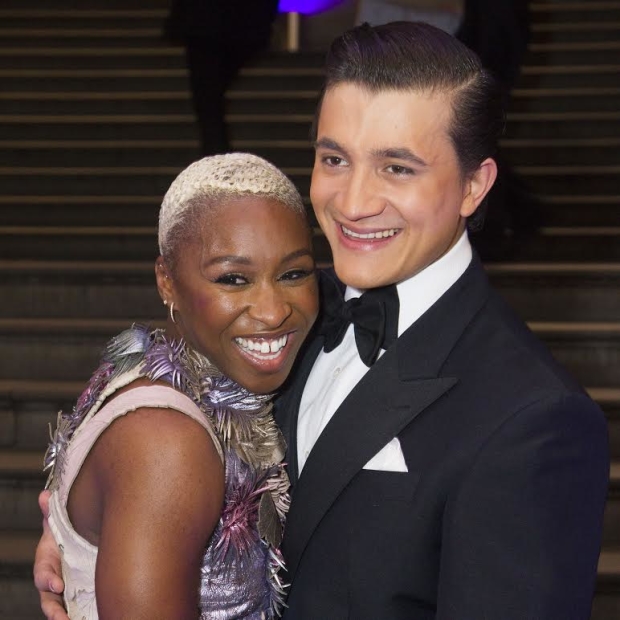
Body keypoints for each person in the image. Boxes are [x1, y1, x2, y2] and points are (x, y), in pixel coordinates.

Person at [36, 22, 609, 620]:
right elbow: (155, 386)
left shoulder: (535, 418)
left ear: (474, 185)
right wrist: (77, 531)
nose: (353, 202)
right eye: (334, 158)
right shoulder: (284, 312)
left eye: (398, 168)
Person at [36, 152, 319, 618]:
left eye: (294, 273)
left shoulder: (165, 362)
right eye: (233, 279)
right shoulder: (166, 442)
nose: (273, 310)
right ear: (167, 281)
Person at [164, 0, 280, 156]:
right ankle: (216, 155)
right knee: (208, 100)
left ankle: (216, 155)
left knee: (207, 100)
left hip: (209, 26)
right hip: (216, 25)